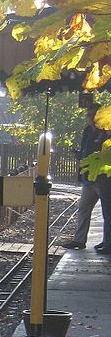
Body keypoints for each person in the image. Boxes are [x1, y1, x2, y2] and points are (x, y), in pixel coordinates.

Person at [65, 103, 111, 253]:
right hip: (88, 179)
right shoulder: (87, 132)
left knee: (108, 212)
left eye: (92, 115)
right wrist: (78, 155)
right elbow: (87, 152)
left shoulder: (106, 132)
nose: (89, 118)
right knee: (83, 209)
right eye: (88, 115)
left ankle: (108, 242)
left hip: (103, 178)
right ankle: (79, 240)